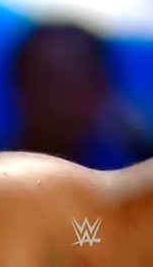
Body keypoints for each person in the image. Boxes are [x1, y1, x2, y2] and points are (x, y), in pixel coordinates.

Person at [10, 23, 151, 170]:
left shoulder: (131, 170)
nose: (57, 102)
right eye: (47, 81)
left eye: (73, 83)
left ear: (102, 88)